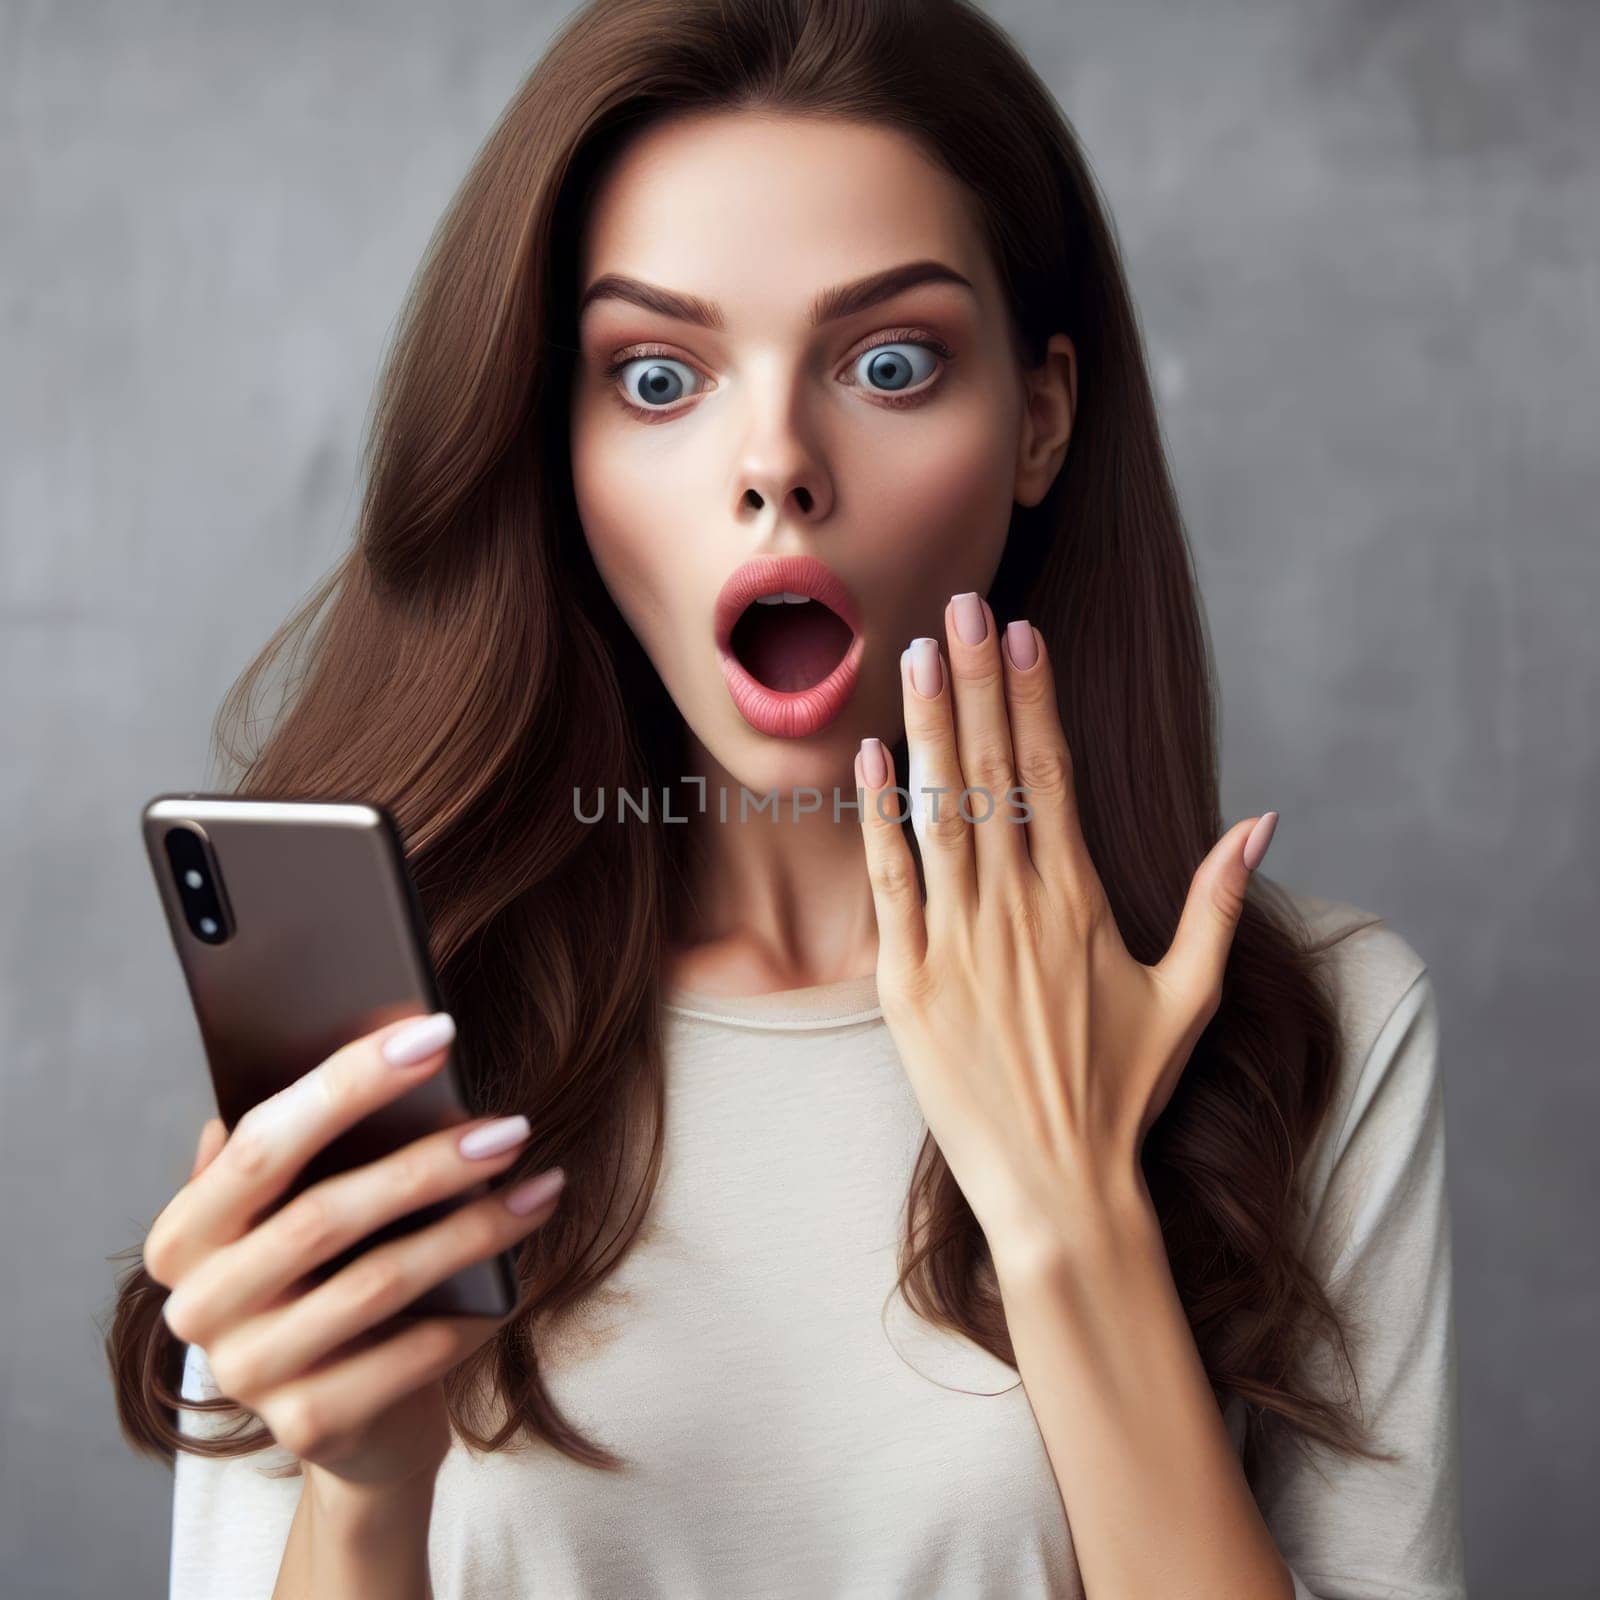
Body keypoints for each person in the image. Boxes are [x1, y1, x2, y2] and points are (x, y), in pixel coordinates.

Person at [105, 1, 1467, 1595]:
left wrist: (1068, 1212)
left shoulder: (1314, 1032)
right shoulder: (377, 1042)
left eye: (890, 363)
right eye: (659, 376)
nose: (777, 463)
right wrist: (362, 1493)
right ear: (557, 448)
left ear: (1037, 418)